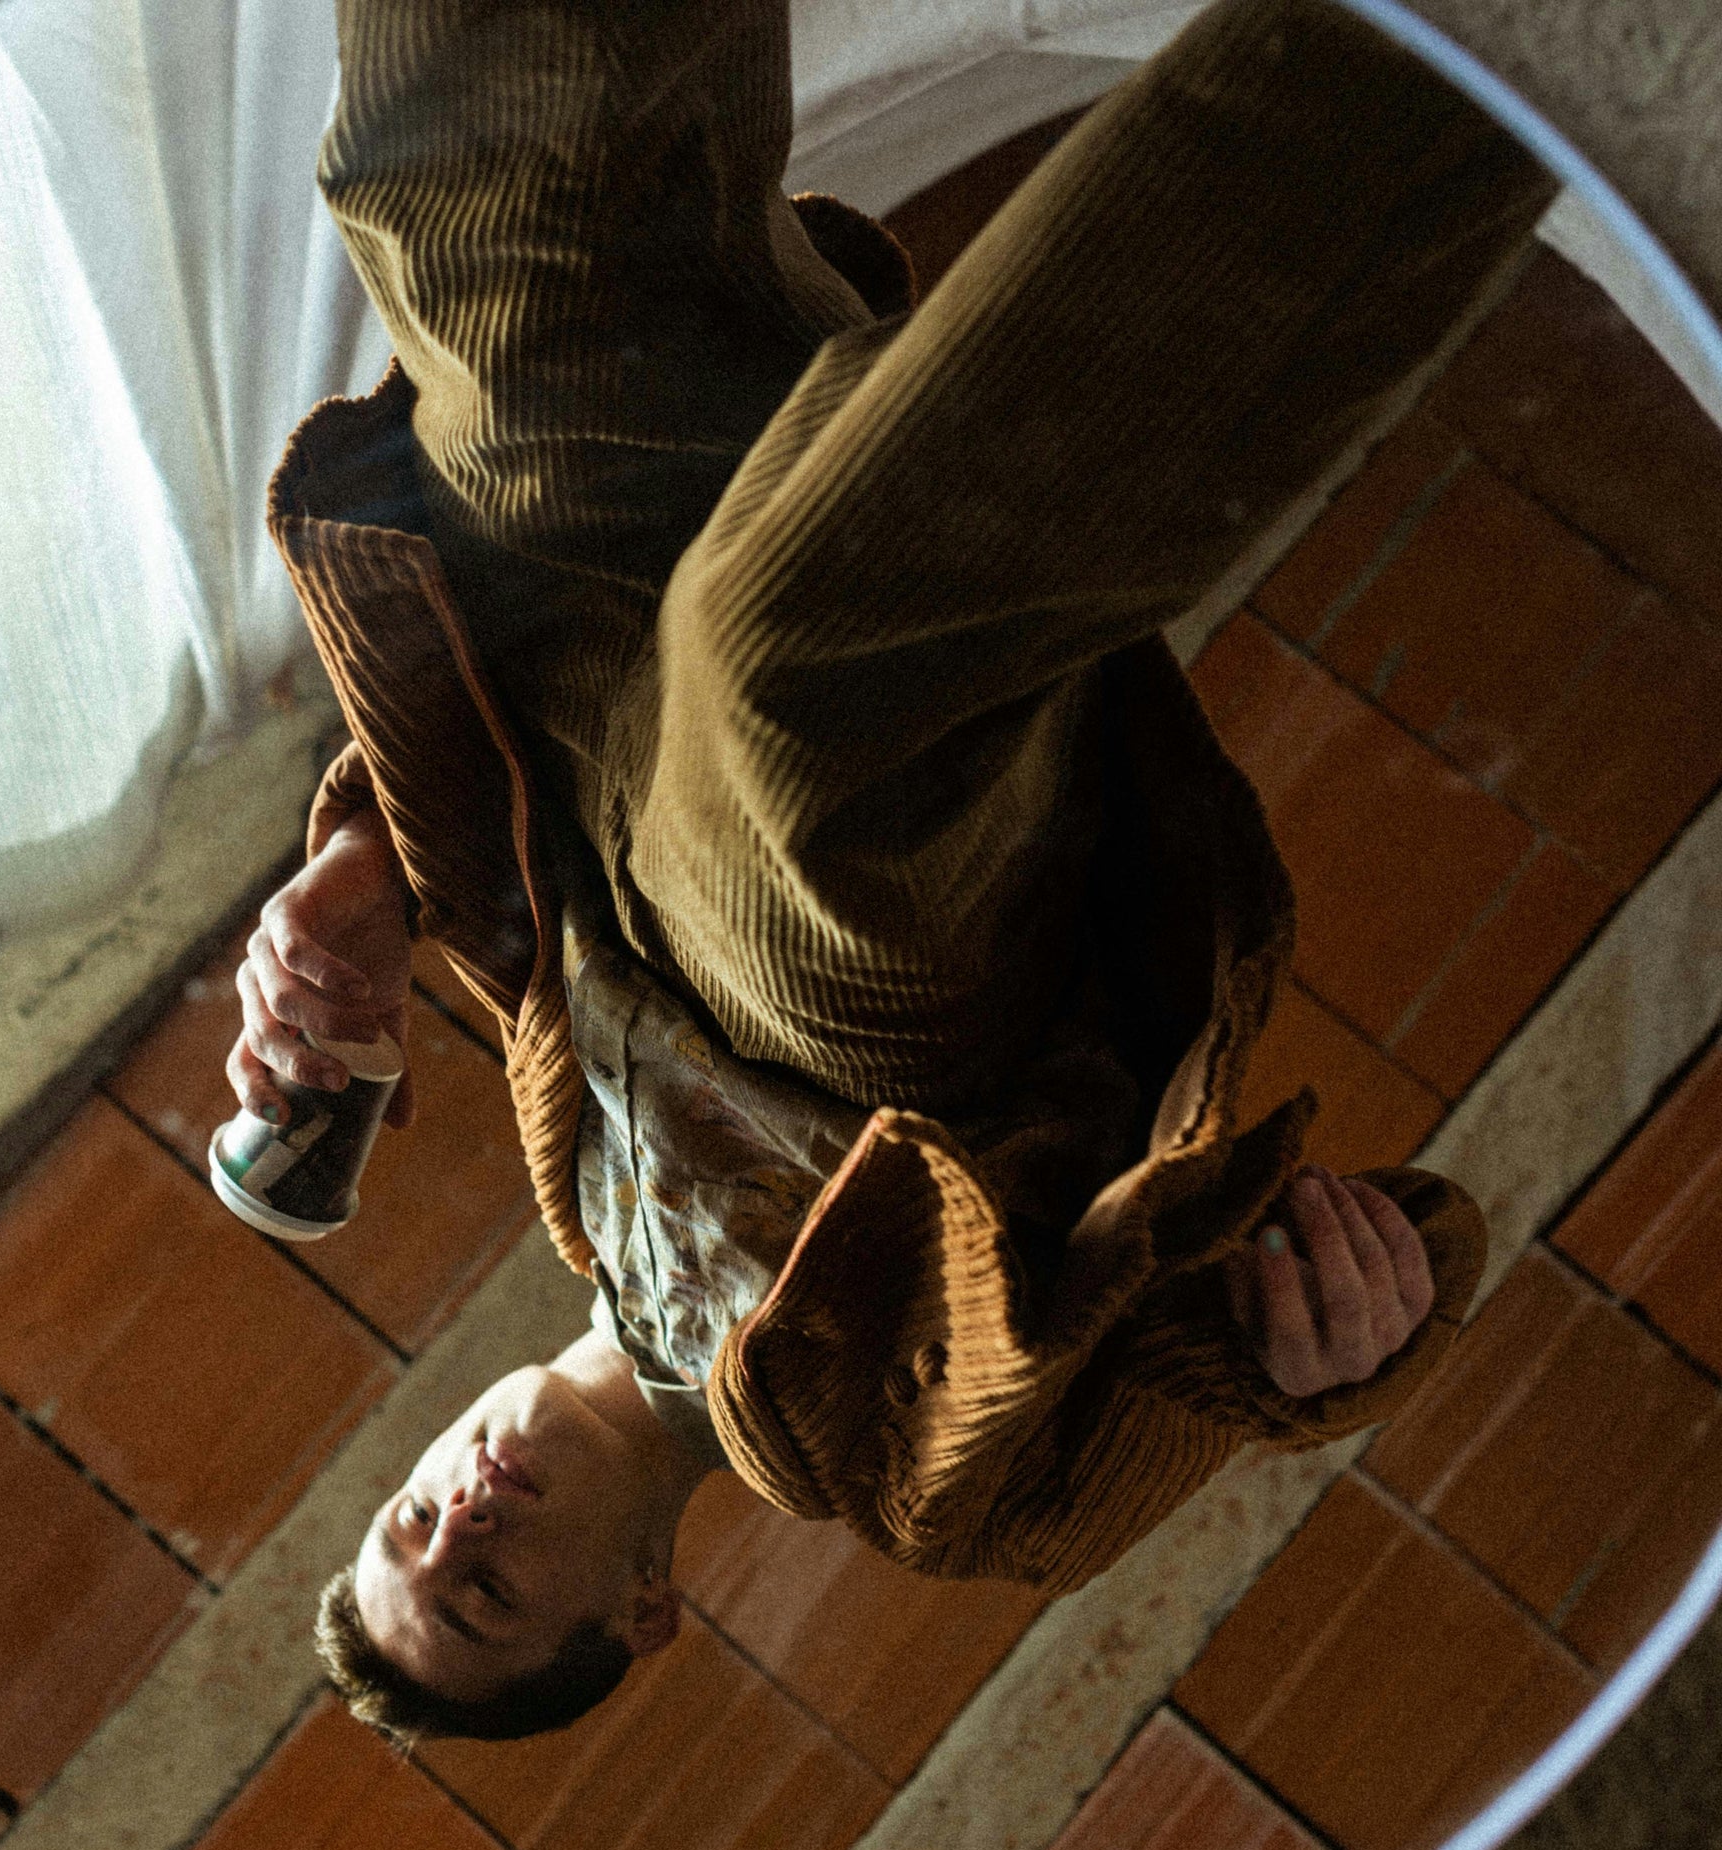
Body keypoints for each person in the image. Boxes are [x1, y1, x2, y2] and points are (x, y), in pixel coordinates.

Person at [229, 0, 1557, 1749]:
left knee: (458, 207)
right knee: (784, 676)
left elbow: (491, 845)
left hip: (587, 673)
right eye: (481, 1589)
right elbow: (1243, 1365)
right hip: (859, 1002)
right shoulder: (917, 1488)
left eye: (414, 1523)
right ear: (643, 1611)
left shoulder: (572, 1182)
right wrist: (1342, 1355)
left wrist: (353, 874)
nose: (462, 1516)